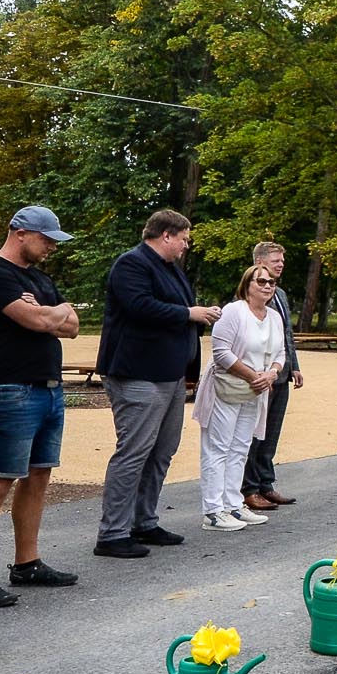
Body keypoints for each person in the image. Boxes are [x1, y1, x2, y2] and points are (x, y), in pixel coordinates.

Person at [0, 206, 81, 609]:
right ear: (19, 232)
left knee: (39, 476)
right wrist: (50, 313)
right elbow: (39, 322)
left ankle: (27, 562)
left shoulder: (40, 279)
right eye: (46, 239)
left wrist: (50, 312)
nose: (51, 247)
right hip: (8, 389)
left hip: (48, 388)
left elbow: (72, 326)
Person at [94, 209, 217, 559]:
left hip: (170, 374)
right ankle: (112, 533)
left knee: (162, 451)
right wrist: (189, 313)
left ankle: (143, 521)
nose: (186, 245)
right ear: (166, 235)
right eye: (184, 239)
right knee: (134, 452)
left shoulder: (170, 269)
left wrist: (198, 316)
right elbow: (140, 307)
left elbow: (174, 308)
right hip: (138, 373)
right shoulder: (131, 264)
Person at [195, 265, 287, 530]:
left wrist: (272, 373)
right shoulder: (234, 312)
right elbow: (221, 352)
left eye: (271, 282)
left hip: (255, 390)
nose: (267, 286)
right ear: (247, 285)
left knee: (240, 447)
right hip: (228, 387)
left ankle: (233, 504)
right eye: (261, 281)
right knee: (218, 448)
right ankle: (213, 510)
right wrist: (252, 375)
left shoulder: (274, 317)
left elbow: (280, 352)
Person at [240, 241, 302, 512]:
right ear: (259, 262)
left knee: (271, 435)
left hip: (280, 374)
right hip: (259, 376)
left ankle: (266, 483)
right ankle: (249, 489)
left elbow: (287, 335)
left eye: (282, 261)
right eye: (276, 260)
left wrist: (294, 366)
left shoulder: (281, 294)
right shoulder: (247, 295)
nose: (281, 265)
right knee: (254, 435)